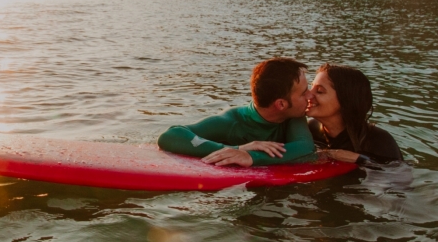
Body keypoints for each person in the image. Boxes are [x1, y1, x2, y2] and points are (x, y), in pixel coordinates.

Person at [157, 57, 316, 167]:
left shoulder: (294, 117)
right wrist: (237, 149)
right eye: (304, 92)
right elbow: (170, 136)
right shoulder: (233, 121)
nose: (311, 95)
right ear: (281, 104)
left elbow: (306, 147)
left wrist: (251, 157)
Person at [306, 63, 403, 164]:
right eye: (311, 87)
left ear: (345, 100)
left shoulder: (379, 141)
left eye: (320, 91)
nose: (308, 94)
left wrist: (358, 159)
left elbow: (399, 175)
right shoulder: (311, 130)